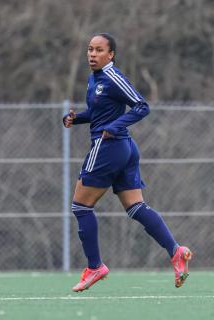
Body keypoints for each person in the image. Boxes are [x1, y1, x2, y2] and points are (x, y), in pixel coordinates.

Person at [63, 33, 192, 292]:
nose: (92, 54)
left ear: (111, 55)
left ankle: (95, 266)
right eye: (90, 49)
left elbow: (141, 106)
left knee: (81, 206)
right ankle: (176, 251)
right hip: (123, 148)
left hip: (108, 147)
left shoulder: (112, 77)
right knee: (135, 207)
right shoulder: (96, 78)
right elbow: (100, 113)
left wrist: (114, 126)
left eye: (99, 50)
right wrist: (76, 119)